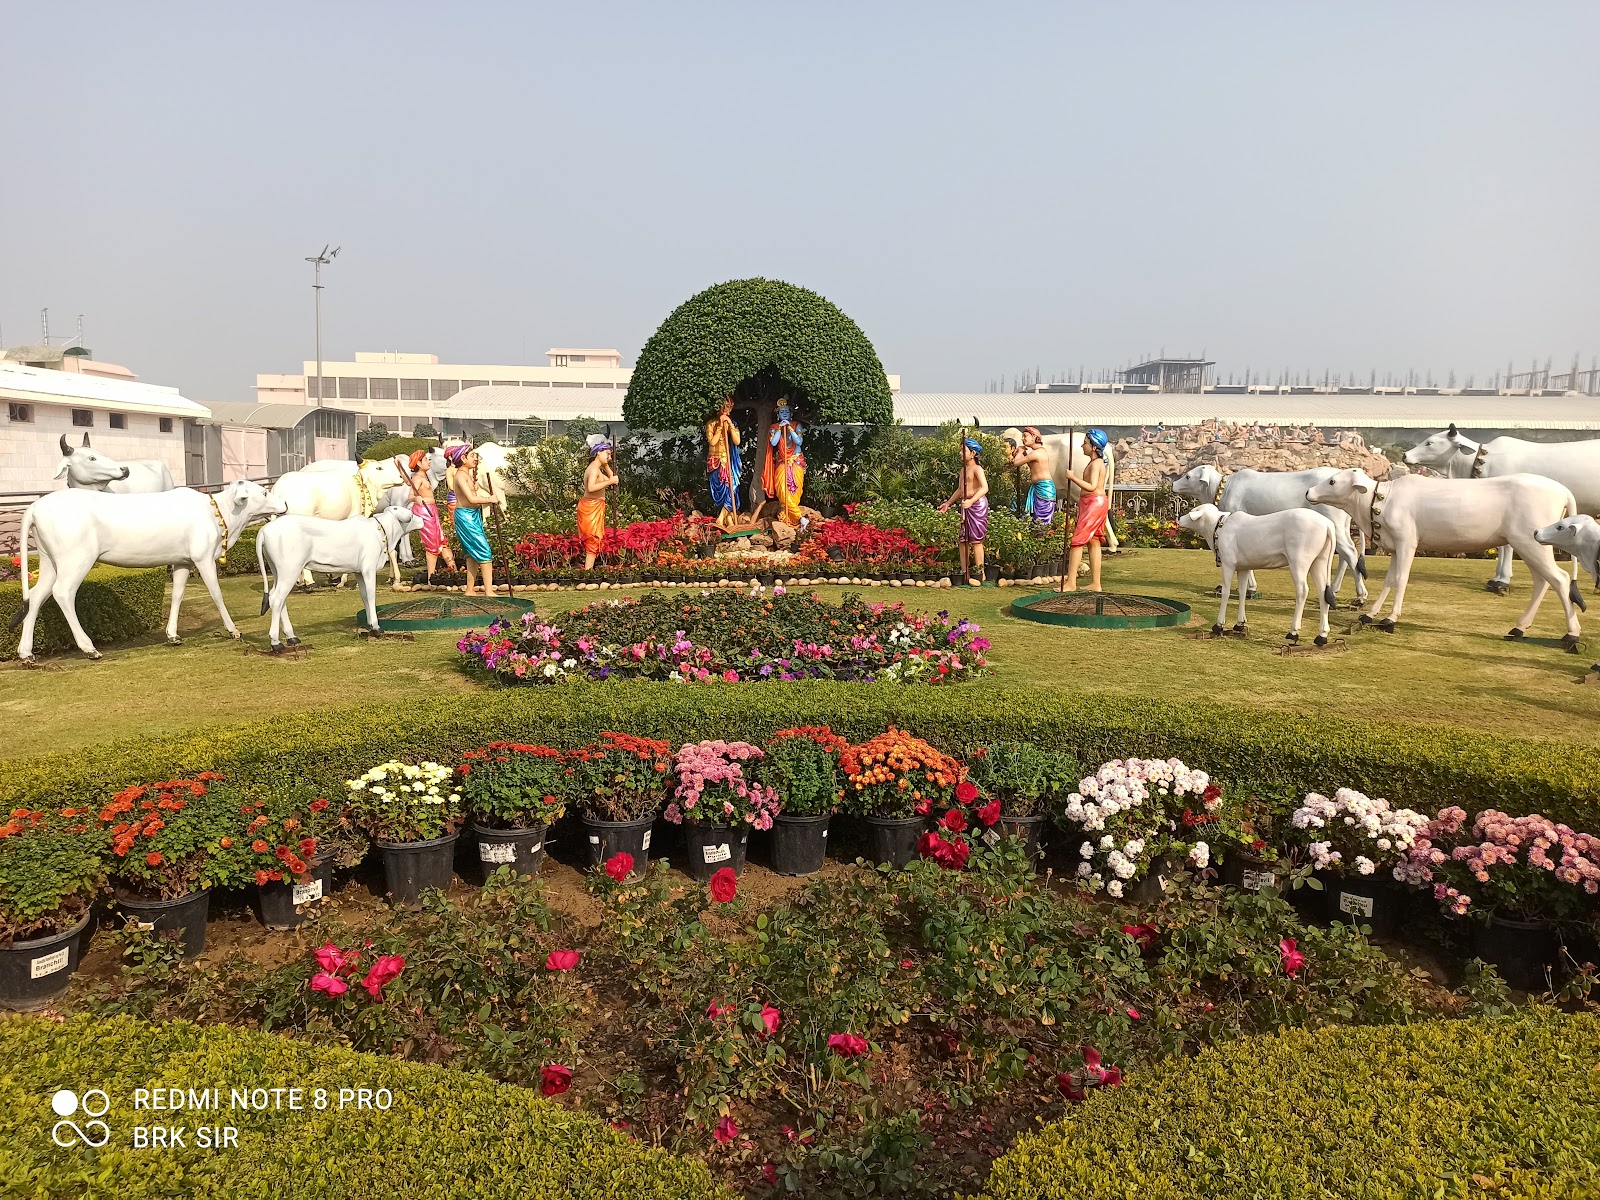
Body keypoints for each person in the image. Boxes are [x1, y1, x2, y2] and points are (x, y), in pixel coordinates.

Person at [1060, 428, 1109, 593]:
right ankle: (1096, 583)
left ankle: (1071, 582)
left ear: (1094, 446)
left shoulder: (1096, 464)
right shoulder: (1094, 462)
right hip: (1091, 502)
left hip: (1094, 502)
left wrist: (1073, 478)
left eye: (1086, 443)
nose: (1082, 446)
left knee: (1077, 541)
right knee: (1093, 541)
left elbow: (1092, 486)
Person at [937, 437, 989, 587]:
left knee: (976, 540)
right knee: (963, 539)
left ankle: (981, 573)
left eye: (963, 450)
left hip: (977, 505)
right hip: (965, 505)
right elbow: (960, 490)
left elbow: (985, 488)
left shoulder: (977, 469)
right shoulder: (962, 470)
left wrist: (972, 501)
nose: (960, 453)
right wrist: (948, 503)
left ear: (973, 453)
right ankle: (965, 571)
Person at [444, 444, 495, 595]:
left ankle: (470, 590)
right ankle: (489, 591)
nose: (475, 459)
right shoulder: (460, 476)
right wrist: (489, 499)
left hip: (473, 515)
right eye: (472, 456)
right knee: (485, 552)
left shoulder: (466, 475)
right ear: (463, 458)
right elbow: (471, 499)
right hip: (466, 516)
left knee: (472, 555)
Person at [405, 449, 458, 582]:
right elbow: (411, 495)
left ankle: (454, 571)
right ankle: (431, 577)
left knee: (442, 541)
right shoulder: (417, 478)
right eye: (425, 460)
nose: (428, 462)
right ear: (418, 463)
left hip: (432, 510)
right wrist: (417, 499)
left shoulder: (424, 477)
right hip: (424, 511)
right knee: (432, 544)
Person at [762, 400, 807, 526]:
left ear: (791, 413)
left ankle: (792, 517)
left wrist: (790, 429)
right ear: (778, 414)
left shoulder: (797, 425)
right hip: (782, 462)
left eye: (787, 411)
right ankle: (800, 518)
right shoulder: (774, 427)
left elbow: (799, 442)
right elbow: (774, 443)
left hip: (796, 461)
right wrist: (781, 429)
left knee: (795, 491)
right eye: (782, 412)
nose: (785, 413)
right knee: (782, 490)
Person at [579, 441, 618, 571]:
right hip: (591, 506)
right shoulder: (594, 470)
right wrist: (610, 482)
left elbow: (613, 479)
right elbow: (591, 488)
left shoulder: (597, 469)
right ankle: (588, 570)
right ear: (598, 453)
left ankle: (589, 570)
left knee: (595, 539)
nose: (610, 457)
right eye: (607, 454)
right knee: (593, 539)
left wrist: (606, 465)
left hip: (596, 506)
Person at [705, 397, 742, 532]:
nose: (726, 411)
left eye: (729, 408)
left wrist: (730, 425)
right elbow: (713, 442)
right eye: (724, 407)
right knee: (719, 489)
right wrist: (720, 427)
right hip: (715, 461)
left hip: (728, 462)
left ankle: (721, 518)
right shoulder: (711, 424)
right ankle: (729, 519)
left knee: (733, 487)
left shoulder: (733, 424)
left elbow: (737, 441)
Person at [1012, 427, 1055, 526]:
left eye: (1025, 436)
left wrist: (1020, 452)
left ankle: (1041, 538)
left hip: (1043, 489)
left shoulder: (1037, 453)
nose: (1023, 439)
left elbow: (1016, 463)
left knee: (1041, 520)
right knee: (1036, 518)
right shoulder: (1039, 452)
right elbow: (1032, 466)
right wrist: (1025, 453)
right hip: (1039, 487)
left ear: (1034, 437)